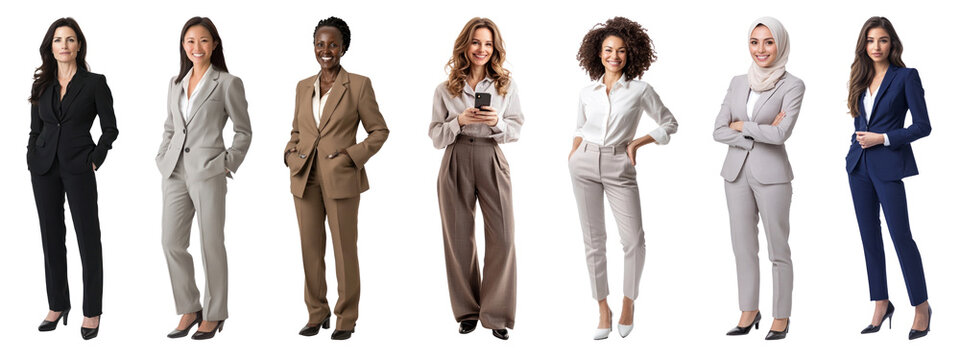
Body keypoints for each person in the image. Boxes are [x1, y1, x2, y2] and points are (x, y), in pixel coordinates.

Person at [569, 17, 678, 340]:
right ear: (598, 53)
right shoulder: (587, 92)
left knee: (633, 240)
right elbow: (579, 127)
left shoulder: (640, 90)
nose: (614, 56)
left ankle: (628, 303)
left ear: (631, 54)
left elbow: (670, 123)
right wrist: (573, 154)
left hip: (620, 163)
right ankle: (603, 308)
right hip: (584, 163)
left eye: (620, 50)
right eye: (607, 50)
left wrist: (638, 142)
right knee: (594, 242)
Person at [285, 16, 389, 341]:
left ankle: (347, 317)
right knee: (310, 250)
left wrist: (350, 156)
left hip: (341, 177)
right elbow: (298, 130)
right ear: (313, 47)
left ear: (343, 47)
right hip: (305, 177)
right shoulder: (303, 86)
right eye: (320, 44)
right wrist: (289, 153)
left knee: (344, 250)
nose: (325, 50)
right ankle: (317, 313)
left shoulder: (358, 85)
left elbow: (379, 131)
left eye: (332, 44)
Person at [156, 16, 252, 340]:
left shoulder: (227, 82)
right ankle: (189, 307)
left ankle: (214, 313)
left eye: (204, 40)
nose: (197, 47)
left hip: (208, 172)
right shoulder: (175, 82)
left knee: (211, 243)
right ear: (183, 46)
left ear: (215, 44)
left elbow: (244, 131)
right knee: (171, 242)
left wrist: (227, 163)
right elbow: (170, 126)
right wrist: (161, 158)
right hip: (174, 173)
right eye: (190, 41)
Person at [429, 17, 523, 341]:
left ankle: (495, 313)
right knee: (459, 239)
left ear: (494, 48)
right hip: (455, 157)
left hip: (491, 156)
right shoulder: (445, 90)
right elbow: (436, 136)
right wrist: (458, 120)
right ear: (465, 46)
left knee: (504, 237)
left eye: (487, 43)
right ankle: (468, 311)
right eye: (475, 42)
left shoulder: (505, 86)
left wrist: (497, 120)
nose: (481, 49)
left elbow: (516, 129)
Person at [713, 17, 804, 341]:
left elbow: (781, 134)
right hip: (735, 174)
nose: (761, 49)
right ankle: (749, 310)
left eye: (768, 42)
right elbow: (718, 129)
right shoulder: (739, 81)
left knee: (778, 248)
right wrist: (753, 133)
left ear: (779, 44)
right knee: (742, 247)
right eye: (754, 41)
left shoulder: (792, 85)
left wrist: (742, 126)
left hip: (773, 177)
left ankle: (781, 316)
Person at [29, 17, 118, 341]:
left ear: (79, 45)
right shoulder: (42, 85)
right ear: (50, 47)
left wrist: (96, 158)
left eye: (69, 39)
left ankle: (91, 310)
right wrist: (31, 156)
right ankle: (57, 305)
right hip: (43, 168)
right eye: (57, 40)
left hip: (79, 167)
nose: (63, 45)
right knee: (51, 239)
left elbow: (110, 128)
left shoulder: (94, 83)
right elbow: (35, 128)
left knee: (87, 239)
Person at [844, 16, 932, 340]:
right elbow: (859, 124)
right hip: (859, 168)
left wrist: (883, 138)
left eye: (882, 40)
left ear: (892, 43)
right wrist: (858, 150)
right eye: (870, 40)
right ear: (863, 45)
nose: (876, 47)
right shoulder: (859, 76)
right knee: (869, 239)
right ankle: (881, 302)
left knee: (901, 236)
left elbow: (923, 126)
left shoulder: (906, 77)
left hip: (889, 164)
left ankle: (921, 306)